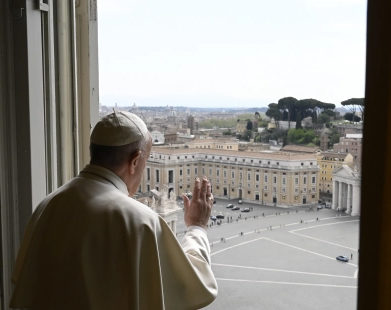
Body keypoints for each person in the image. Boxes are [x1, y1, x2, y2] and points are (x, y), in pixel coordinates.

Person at [10, 111, 218, 310]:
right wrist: (197, 227)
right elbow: (192, 285)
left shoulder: (48, 206)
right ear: (135, 161)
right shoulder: (140, 221)